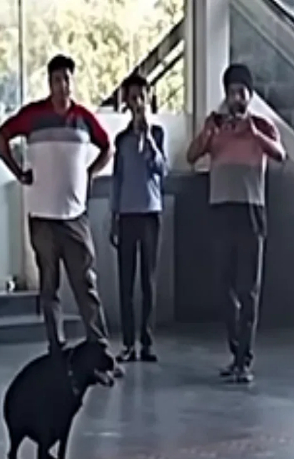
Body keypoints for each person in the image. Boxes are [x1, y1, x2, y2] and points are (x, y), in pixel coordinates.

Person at [0, 54, 118, 377]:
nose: (61, 85)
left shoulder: (83, 119)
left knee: (85, 284)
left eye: (66, 79)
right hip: (43, 217)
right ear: (49, 83)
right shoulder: (33, 116)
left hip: (74, 215)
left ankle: (99, 348)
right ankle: (55, 348)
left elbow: (108, 147)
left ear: (72, 82)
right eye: (55, 80)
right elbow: (0, 137)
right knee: (49, 287)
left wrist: (91, 172)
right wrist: (19, 172)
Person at [185, 63, 284, 383]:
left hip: (251, 212)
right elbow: (191, 156)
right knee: (223, 287)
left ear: (250, 96)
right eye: (231, 92)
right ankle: (235, 348)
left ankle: (245, 359)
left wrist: (254, 134)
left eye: (242, 92)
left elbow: (280, 155)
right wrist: (209, 133)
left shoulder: (263, 126)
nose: (236, 98)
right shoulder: (216, 126)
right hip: (221, 211)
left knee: (249, 288)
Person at [110, 74, 169, 363]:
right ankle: (128, 342)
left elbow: (161, 170)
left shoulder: (157, 134)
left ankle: (147, 341)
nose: (136, 103)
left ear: (147, 99)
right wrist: (113, 217)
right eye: (131, 98)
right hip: (127, 214)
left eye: (140, 98)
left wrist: (148, 141)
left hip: (150, 213)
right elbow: (117, 180)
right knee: (126, 281)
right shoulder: (120, 140)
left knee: (148, 280)